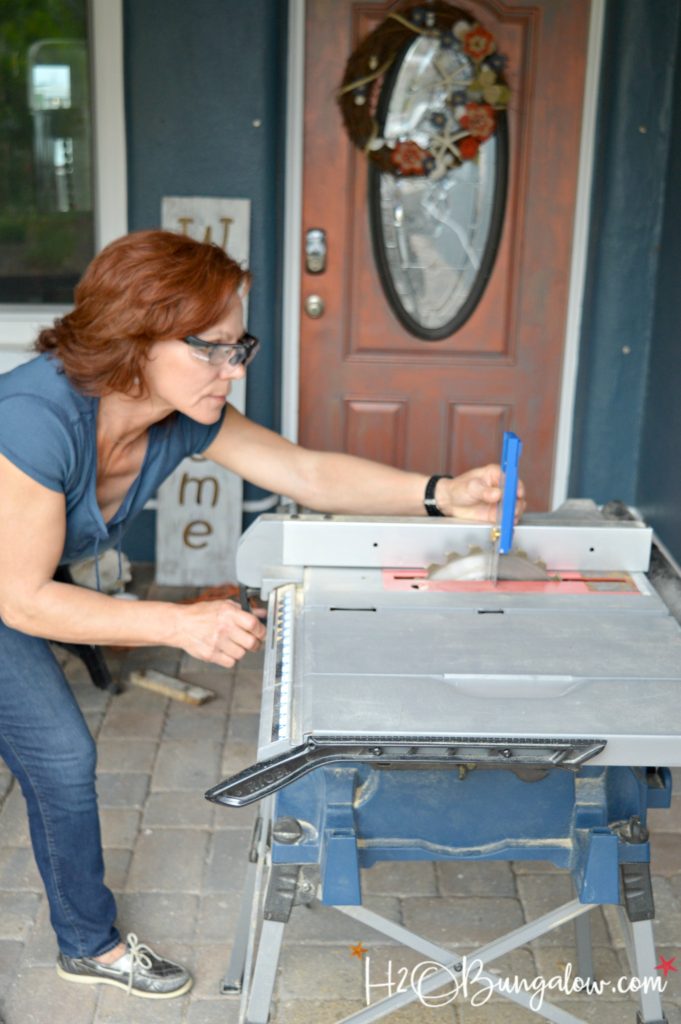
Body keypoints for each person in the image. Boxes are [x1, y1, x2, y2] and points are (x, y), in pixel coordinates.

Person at [0, 229, 524, 998]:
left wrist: (440, 493)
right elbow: (20, 598)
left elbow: (305, 472)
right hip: (12, 587)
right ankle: (88, 943)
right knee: (60, 757)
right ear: (133, 336)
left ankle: (81, 938)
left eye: (237, 344)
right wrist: (176, 624)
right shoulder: (34, 419)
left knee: (45, 748)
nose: (233, 367)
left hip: (20, 579)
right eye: (209, 348)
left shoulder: (182, 414)